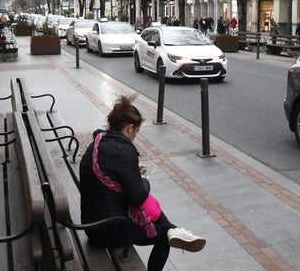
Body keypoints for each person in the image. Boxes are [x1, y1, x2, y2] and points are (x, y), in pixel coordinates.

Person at [80, 95, 206, 271]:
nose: (135, 137)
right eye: (136, 133)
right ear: (130, 129)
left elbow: (110, 171)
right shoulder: (124, 150)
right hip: (107, 230)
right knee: (163, 237)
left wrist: (130, 173)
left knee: (156, 217)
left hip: (91, 223)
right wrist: (143, 180)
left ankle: (174, 230)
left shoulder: (97, 142)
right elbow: (137, 197)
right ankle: (173, 231)